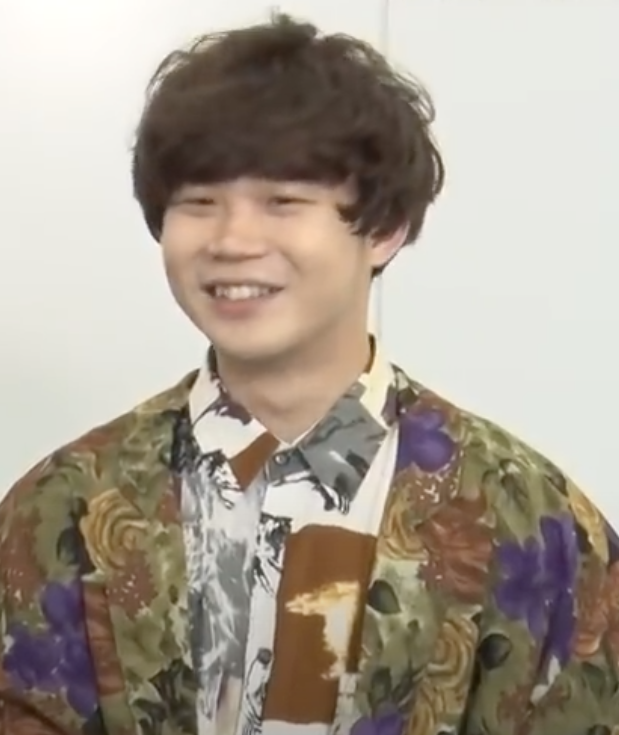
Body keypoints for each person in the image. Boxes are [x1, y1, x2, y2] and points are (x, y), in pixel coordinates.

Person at [0, 11, 617, 735]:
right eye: (199, 202)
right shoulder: (62, 507)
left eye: (283, 202)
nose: (233, 240)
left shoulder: (533, 519)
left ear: (384, 228)